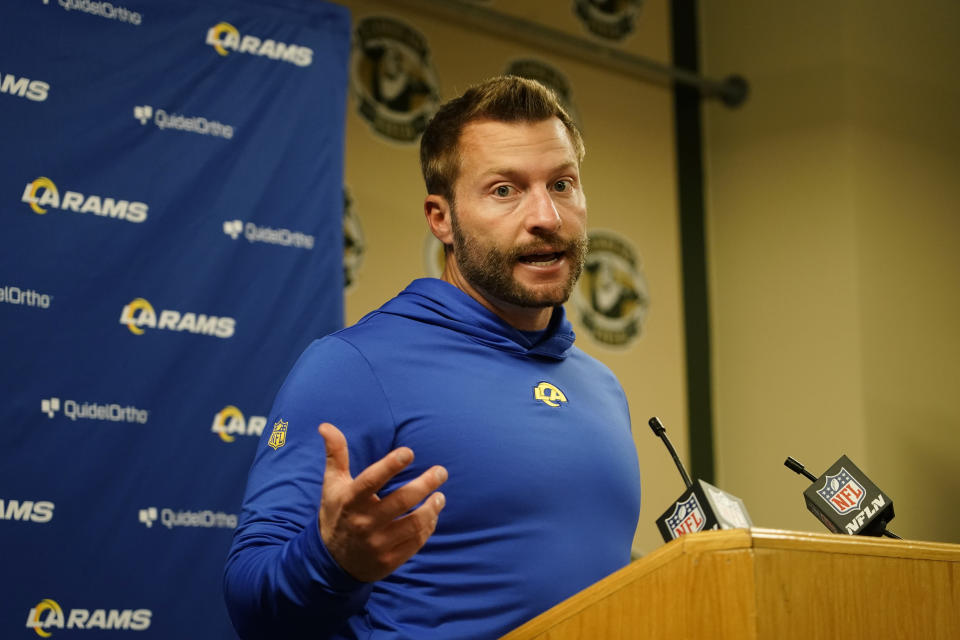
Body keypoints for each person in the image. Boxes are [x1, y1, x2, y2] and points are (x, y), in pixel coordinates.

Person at [223, 76, 641, 640]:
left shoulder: (601, 385)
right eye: (504, 190)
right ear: (441, 218)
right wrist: (332, 562)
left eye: (562, 184)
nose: (547, 216)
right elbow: (248, 596)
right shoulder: (353, 367)